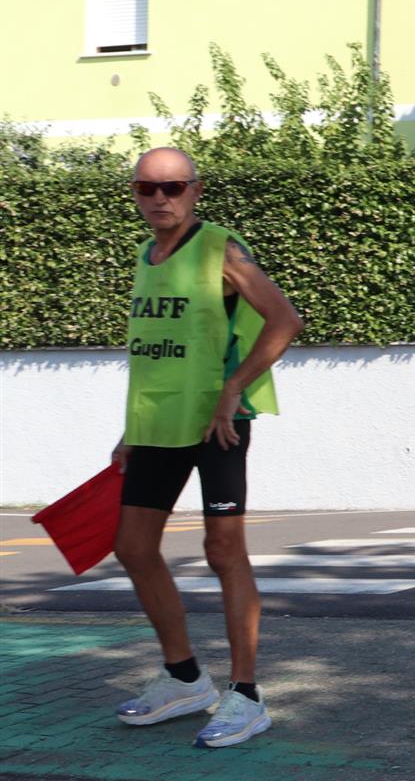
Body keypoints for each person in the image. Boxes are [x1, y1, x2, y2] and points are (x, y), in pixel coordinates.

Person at [109, 148, 304, 749]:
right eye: (147, 188)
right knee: (133, 547)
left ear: (194, 190)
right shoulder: (146, 255)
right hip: (157, 424)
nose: (160, 198)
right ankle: (185, 678)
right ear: (137, 194)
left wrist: (233, 390)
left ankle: (245, 696)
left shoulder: (220, 248)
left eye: (172, 187)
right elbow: (156, 349)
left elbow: (284, 320)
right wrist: (127, 432)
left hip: (218, 422)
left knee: (223, 551)